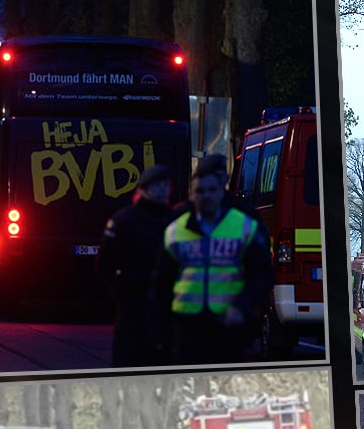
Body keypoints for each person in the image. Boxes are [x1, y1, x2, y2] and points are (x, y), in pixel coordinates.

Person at [151, 154, 273, 364]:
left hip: (229, 326)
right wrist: (160, 330)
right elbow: (161, 282)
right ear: (191, 193)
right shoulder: (177, 224)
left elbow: (261, 274)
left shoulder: (244, 221)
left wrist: (243, 310)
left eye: (212, 189)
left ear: (222, 187)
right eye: (200, 190)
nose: (206, 195)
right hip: (186, 328)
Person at [97, 164, 178, 367]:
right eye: (156, 186)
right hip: (133, 299)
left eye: (165, 186)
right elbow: (104, 263)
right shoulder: (125, 221)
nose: (162, 190)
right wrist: (116, 291)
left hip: (166, 302)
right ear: (142, 189)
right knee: (129, 357)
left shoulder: (175, 220)